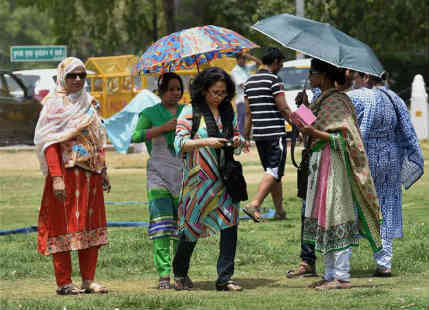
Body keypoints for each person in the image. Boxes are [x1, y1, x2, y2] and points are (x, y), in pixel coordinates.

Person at [297, 58, 382, 290]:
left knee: (337, 215)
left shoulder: (338, 101)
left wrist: (314, 130)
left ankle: (341, 276)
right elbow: (308, 132)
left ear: (323, 76)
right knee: (323, 217)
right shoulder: (321, 100)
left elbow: (347, 139)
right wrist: (302, 107)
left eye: (312, 73)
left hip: (335, 164)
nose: (309, 77)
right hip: (319, 163)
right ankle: (329, 274)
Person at [34, 57, 110, 295]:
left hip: (91, 176)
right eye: (72, 75)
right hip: (65, 176)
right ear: (62, 77)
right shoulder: (53, 105)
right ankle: (64, 282)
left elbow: (98, 140)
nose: (77, 80)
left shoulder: (91, 103)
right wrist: (56, 177)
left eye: (81, 76)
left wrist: (104, 170)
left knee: (90, 226)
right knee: (63, 227)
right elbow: (49, 143)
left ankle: (88, 280)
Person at [173, 67, 247, 292]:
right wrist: (207, 142)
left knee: (230, 226)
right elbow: (179, 144)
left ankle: (225, 278)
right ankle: (180, 273)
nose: (219, 96)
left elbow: (238, 137)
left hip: (224, 180)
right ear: (204, 91)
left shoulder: (228, 112)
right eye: (215, 92)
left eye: (223, 92)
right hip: (198, 182)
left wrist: (238, 141)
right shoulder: (190, 111)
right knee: (190, 229)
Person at [349, 72, 424, 277]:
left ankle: (341, 261)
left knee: (353, 204)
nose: (353, 80)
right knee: (387, 207)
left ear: (366, 77)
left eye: (356, 77)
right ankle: (385, 263)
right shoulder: (394, 98)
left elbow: (339, 121)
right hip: (390, 157)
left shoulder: (358, 96)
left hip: (365, 156)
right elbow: (406, 130)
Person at [131, 72, 185, 289]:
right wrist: (163, 128)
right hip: (158, 175)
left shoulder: (189, 112)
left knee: (183, 227)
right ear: (161, 92)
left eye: (178, 89)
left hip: (184, 173)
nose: (175, 93)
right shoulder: (150, 113)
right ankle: (163, 274)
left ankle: (181, 272)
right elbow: (135, 136)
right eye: (170, 89)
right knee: (162, 225)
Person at [243, 47, 291, 221]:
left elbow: (248, 114)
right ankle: (254, 204)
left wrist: (245, 137)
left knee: (273, 173)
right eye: (282, 63)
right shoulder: (274, 80)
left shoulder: (249, 82)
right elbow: (284, 108)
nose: (282, 67)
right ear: (276, 61)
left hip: (260, 135)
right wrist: (300, 125)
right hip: (275, 133)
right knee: (274, 170)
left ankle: (279, 211)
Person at [230, 52, 262, 135]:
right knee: (242, 119)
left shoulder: (247, 67)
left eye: (244, 58)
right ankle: (242, 138)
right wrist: (254, 89)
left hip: (250, 98)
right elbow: (241, 85)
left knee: (251, 119)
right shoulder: (235, 70)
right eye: (241, 58)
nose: (243, 60)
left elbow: (259, 63)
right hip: (241, 99)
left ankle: (247, 137)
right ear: (237, 60)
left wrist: (250, 57)